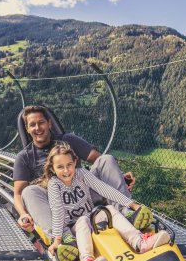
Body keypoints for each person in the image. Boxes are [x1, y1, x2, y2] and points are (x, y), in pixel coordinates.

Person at [13, 105, 150, 246]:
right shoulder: (24, 157)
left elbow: (98, 159)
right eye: (32, 125)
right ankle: (64, 240)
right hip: (57, 207)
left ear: (49, 123)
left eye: (41, 122)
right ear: (27, 128)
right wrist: (23, 214)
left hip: (84, 195)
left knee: (107, 159)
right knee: (28, 191)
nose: (37, 128)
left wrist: (120, 176)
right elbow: (18, 194)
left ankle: (126, 212)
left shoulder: (68, 140)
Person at [43, 142, 171, 261]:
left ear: (75, 162)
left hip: (91, 216)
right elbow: (57, 211)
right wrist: (57, 240)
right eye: (60, 167)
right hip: (75, 226)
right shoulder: (54, 184)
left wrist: (132, 204)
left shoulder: (81, 174)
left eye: (69, 165)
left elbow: (104, 189)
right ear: (52, 169)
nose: (66, 171)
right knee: (82, 220)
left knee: (109, 209)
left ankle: (139, 242)